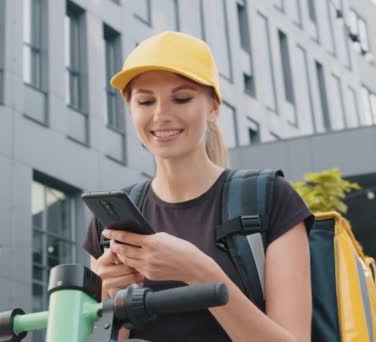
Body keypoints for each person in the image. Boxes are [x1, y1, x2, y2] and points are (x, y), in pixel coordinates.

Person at [82, 31, 313, 341]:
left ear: (214, 108)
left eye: (182, 98)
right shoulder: (109, 224)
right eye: (146, 101)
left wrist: (199, 273)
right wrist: (111, 297)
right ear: (131, 110)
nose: (161, 114)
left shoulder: (271, 198)